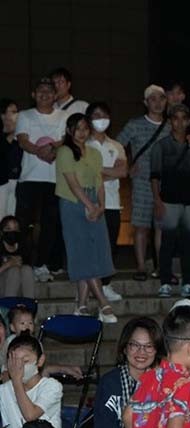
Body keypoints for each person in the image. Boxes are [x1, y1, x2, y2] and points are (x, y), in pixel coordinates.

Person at [55, 113, 117, 323]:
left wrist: (100, 206)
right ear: (70, 130)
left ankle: (81, 305)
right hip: (73, 203)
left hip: (93, 203)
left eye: (84, 128)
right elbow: (72, 183)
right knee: (82, 253)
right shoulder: (64, 151)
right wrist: (89, 205)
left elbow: (99, 181)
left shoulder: (94, 153)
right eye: (77, 128)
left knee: (94, 253)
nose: (82, 132)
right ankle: (103, 304)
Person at [89, 316, 165, 428]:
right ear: (125, 348)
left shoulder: (163, 381)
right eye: (134, 345)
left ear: (157, 350)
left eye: (148, 346)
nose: (141, 352)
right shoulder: (110, 382)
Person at [151, 103, 190, 298]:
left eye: (183, 118)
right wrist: (157, 201)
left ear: (189, 121)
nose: (179, 122)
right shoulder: (161, 146)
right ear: (170, 121)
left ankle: (187, 281)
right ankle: (165, 281)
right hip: (168, 200)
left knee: (188, 243)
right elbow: (155, 176)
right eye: (175, 118)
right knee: (167, 242)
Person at [14, 76, 67, 283]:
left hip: (54, 179)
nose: (45, 94)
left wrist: (53, 148)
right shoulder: (25, 115)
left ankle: (41, 264)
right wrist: (40, 151)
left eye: (49, 91)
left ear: (55, 95)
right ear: (33, 95)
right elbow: (22, 140)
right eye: (40, 91)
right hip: (29, 179)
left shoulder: (63, 115)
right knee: (24, 223)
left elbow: (66, 139)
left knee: (50, 224)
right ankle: (23, 263)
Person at [117, 84, 170, 281]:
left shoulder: (171, 125)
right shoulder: (134, 124)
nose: (158, 103)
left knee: (162, 227)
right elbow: (117, 144)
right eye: (153, 99)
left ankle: (160, 266)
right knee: (141, 226)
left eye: (161, 99)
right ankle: (140, 266)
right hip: (141, 181)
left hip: (166, 183)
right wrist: (127, 166)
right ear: (145, 102)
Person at [86, 102, 127, 303]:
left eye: (104, 114)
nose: (100, 118)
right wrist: (106, 172)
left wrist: (99, 172)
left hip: (112, 202)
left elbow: (123, 171)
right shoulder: (83, 145)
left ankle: (106, 284)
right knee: (91, 247)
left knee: (110, 246)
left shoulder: (116, 146)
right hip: (90, 203)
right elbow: (85, 173)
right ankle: (87, 287)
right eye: (95, 115)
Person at [0, 333, 63, 428]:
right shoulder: (3, 391)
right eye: (14, 362)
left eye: (25, 361)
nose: (18, 367)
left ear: (40, 361)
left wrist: (16, 381)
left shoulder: (51, 386)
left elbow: (30, 415)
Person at [0, 215, 33, 298]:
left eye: (16, 229)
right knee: (13, 270)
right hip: (2, 289)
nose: (12, 232)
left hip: (19, 290)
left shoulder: (23, 247)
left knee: (27, 269)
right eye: (8, 229)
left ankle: (28, 305)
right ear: (1, 232)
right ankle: (8, 307)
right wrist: (8, 264)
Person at [0, 99, 21, 219]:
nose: (16, 115)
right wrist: (13, 133)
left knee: (12, 217)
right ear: (3, 114)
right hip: (2, 181)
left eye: (17, 111)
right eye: (13, 111)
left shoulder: (20, 134)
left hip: (16, 180)